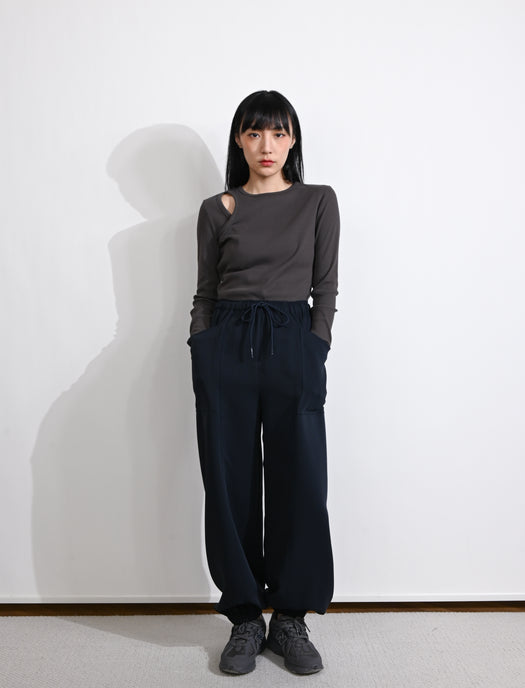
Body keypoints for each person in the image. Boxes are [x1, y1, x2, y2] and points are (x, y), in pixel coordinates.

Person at [187, 89, 340, 676]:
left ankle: (291, 618)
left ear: (293, 139)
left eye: (277, 133)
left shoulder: (318, 201)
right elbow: (205, 292)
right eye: (254, 133)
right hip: (225, 346)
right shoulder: (217, 209)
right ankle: (246, 617)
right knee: (229, 483)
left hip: (292, 344)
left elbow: (325, 287)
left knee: (301, 478)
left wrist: (316, 343)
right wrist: (203, 345)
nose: (266, 145)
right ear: (239, 140)